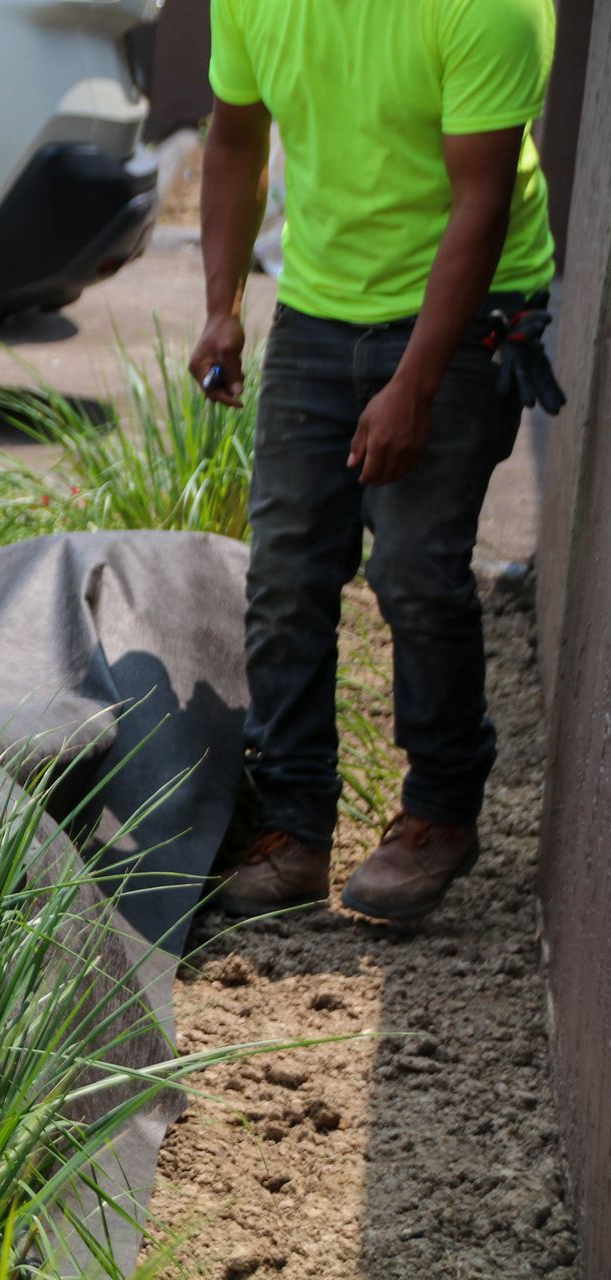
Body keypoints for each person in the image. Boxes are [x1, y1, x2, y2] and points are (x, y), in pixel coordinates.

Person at [191, 0, 560, 921]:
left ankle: (440, 810)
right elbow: (236, 139)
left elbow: (482, 199)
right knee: (285, 571)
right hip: (320, 307)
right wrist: (223, 302)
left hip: (469, 308)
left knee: (417, 571)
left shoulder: (490, 10)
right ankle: (294, 827)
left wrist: (415, 384)